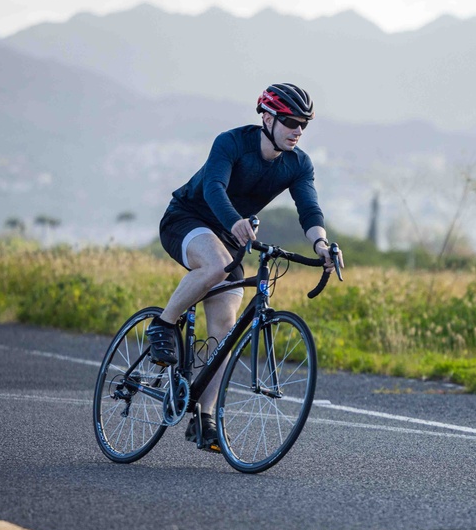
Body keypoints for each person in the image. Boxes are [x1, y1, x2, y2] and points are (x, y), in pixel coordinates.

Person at [145, 83, 343, 451]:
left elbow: (309, 209)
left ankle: (203, 419)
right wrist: (235, 220)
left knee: (225, 324)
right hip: (186, 219)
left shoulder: (298, 164)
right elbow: (214, 189)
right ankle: (162, 324)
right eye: (290, 121)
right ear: (267, 118)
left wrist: (320, 243)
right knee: (218, 264)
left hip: (230, 236)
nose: (297, 130)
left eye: (303, 124)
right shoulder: (232, 142)